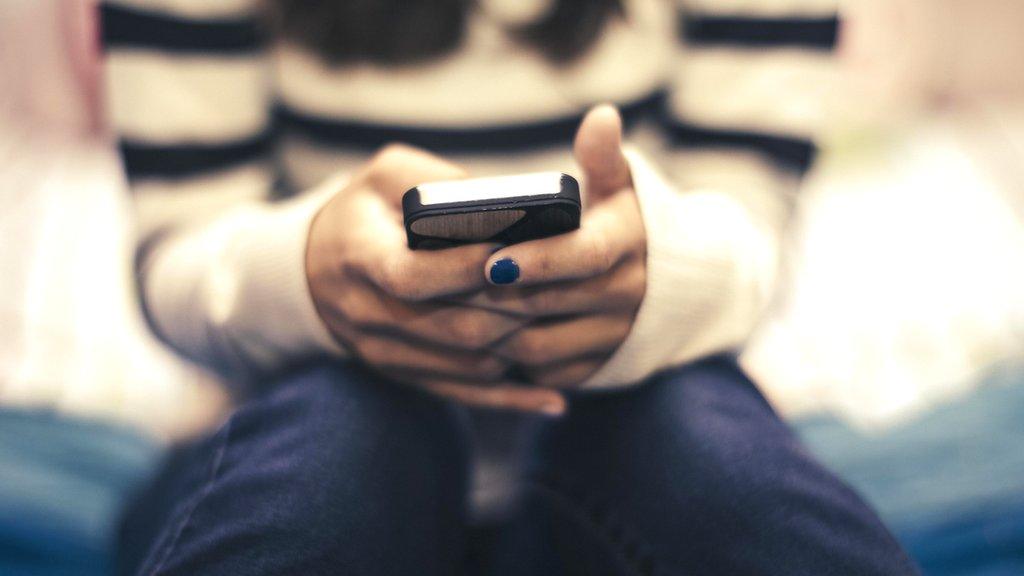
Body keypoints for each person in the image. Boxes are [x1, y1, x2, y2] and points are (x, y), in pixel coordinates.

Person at [103, 0, 918, 574]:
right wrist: (308, 271)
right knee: (334, 441)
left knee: (704, 444)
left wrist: (656, 277)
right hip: (308, 404)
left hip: (635, 403)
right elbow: (176, 252)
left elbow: (755, 229)